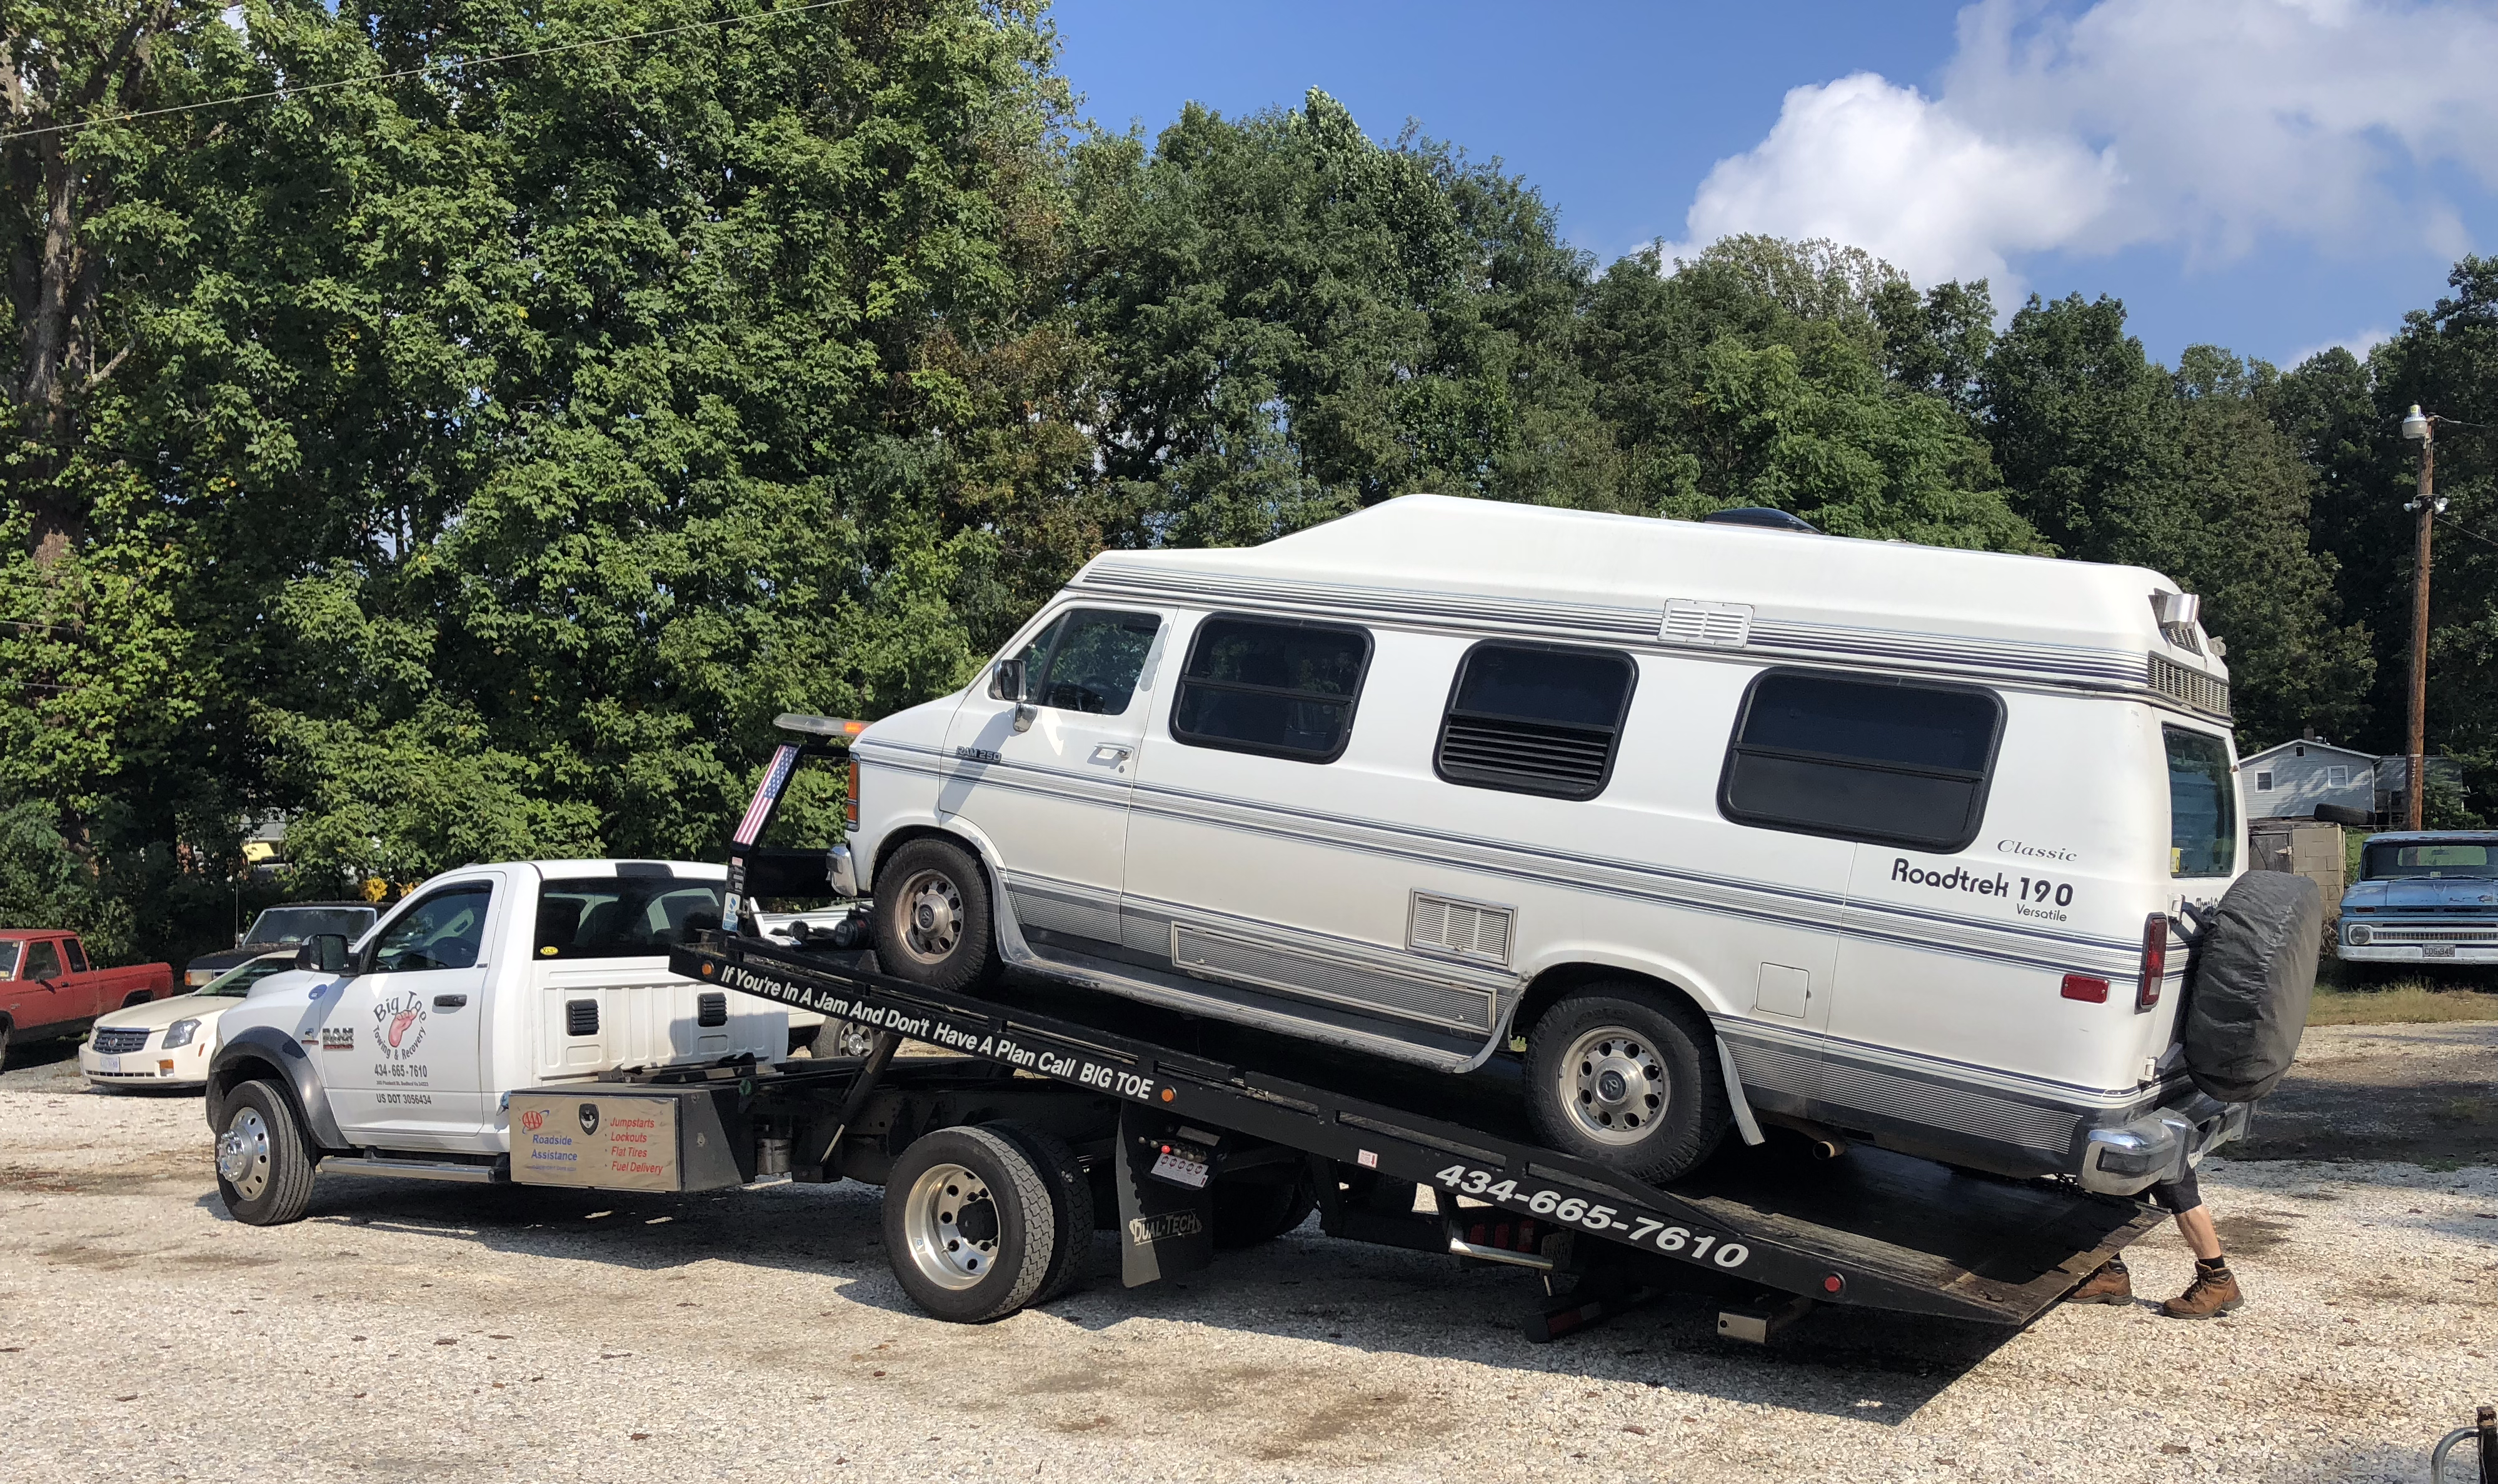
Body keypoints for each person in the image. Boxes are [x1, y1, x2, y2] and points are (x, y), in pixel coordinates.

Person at [2067, 1165, 2242, 1318]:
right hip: (2135, 1129)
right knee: (2112, 1185)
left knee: (2178, 1194)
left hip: (2163, 1131)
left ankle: (2218, 1280)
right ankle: (2110, 1273)